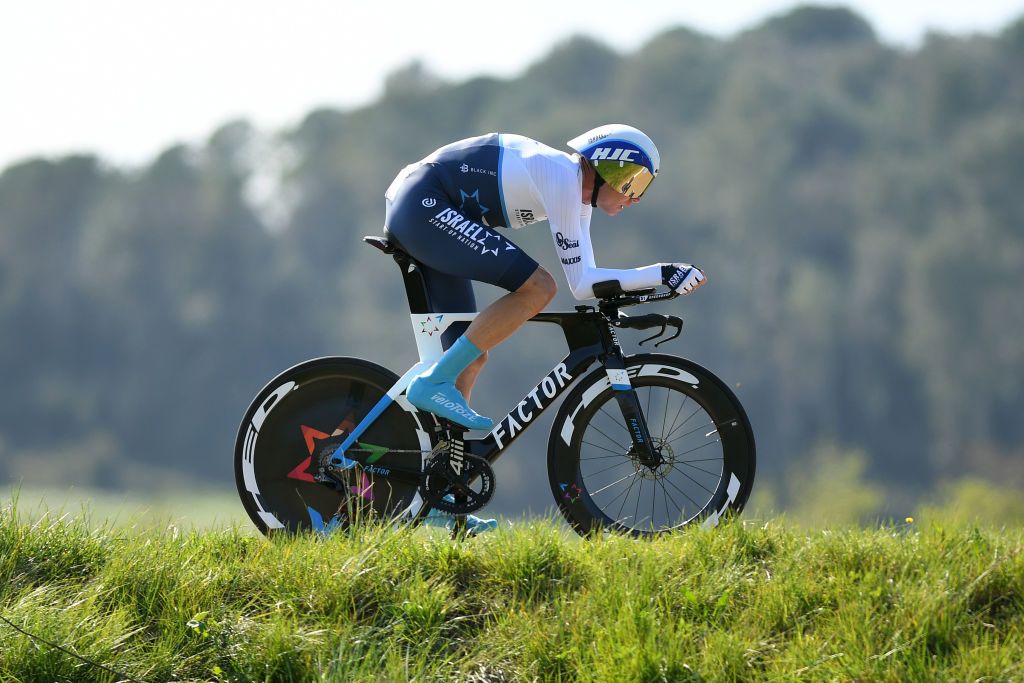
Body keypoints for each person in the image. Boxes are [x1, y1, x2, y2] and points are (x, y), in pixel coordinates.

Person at [384, 124, 706, 431]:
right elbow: (581, 285)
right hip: (423, 203)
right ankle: (430, 384)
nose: (635, 198)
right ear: (609, 169)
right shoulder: (564, 178)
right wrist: (663, 273)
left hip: (427, 208)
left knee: (470, 358)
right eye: (632, 183)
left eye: (642, 189)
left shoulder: (577, 198)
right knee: (539, 287)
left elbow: (589, 280)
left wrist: (650, 284)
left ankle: (444, 473)